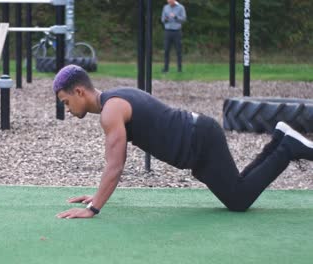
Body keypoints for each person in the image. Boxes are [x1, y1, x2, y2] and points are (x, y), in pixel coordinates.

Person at [53, 65, 313, 219]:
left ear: (79, 91)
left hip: (199, 139)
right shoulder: (116, 98)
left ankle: (288, 147)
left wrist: (94, 208)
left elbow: (115, 165)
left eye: (66, 102)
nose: (68, 109)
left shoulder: (111, 111)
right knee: (237, 195)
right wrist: (98, 194)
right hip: (198, 140)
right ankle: (281, 138)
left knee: (239, 200)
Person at [161, 0, 187, 73]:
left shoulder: (181, 7)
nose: (169, 2)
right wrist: (165, 19)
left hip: (177, 31)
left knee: (178, 51)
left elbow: (184, 19)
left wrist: (176, 17)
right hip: (167, 31)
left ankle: (179, 68)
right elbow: (162, 19)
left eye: (170, 1)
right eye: (168, 1)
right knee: (166, 50)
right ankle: (166, 68)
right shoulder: (165, 7)